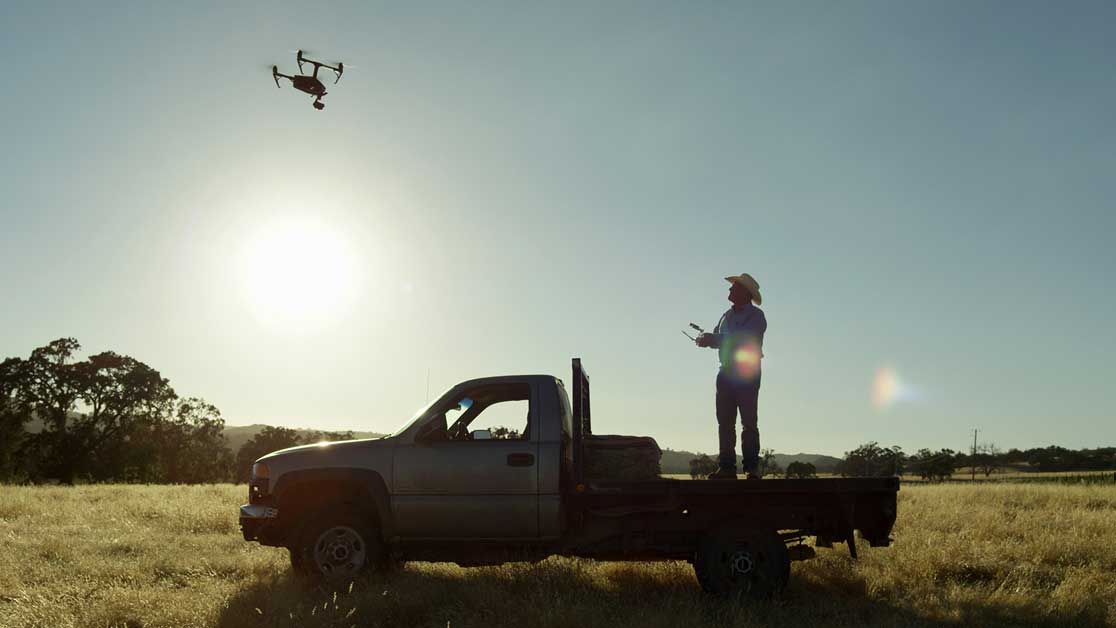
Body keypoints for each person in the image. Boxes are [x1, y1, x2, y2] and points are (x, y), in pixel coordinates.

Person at [695, 273, 766, 480]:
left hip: (746, 372)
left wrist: (713, 338)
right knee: (725, 422)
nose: (729, 290)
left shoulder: (757, 316)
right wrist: (707, 340)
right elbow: (721, 339)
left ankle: (751, 468)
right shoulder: (725, 315)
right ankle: (727, 468)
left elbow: (743, 340)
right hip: (725, 372)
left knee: (748, 422)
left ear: (745, 292)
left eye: (733, 288)